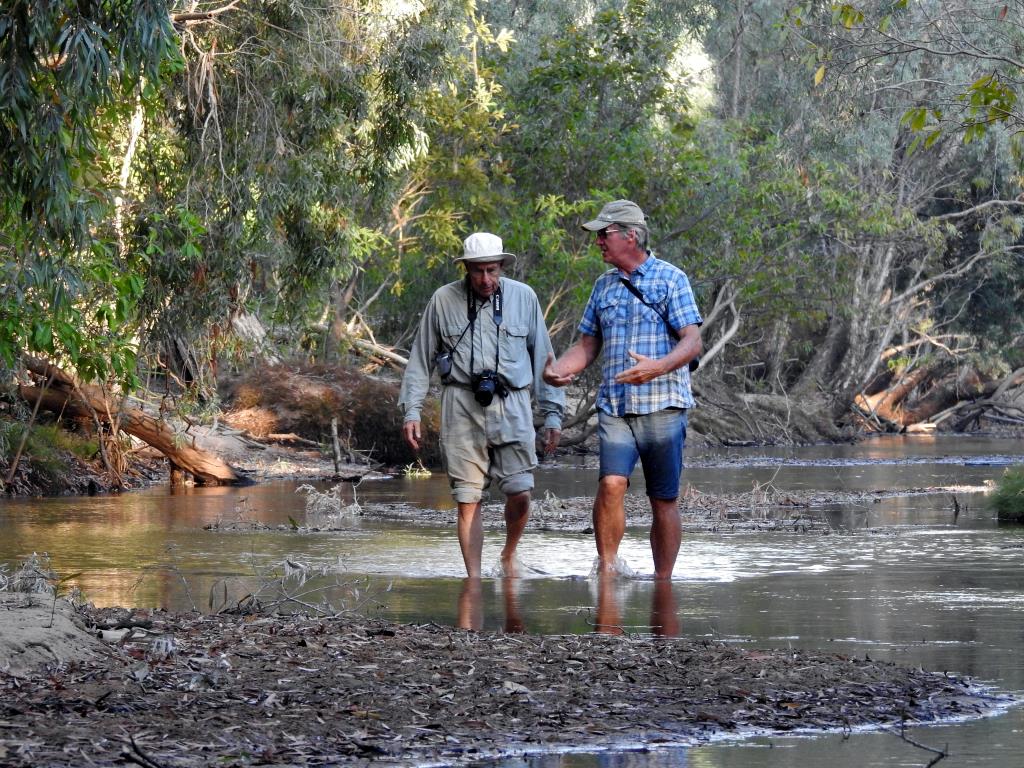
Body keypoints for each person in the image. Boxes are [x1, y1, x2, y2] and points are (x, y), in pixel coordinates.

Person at [543, 200, 702, 580]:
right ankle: (608, 571)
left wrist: (658, 367)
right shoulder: (603, 287)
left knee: (663, 498)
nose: (598, 241)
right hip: (615, 406)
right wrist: (556, 371)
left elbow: (692, 341)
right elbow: (587, 345)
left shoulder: (671, 279)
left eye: (604, 233)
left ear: (631, 236)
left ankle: (663, 584)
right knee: (612, 484)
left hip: (663, 405)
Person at [399, 232, 564, 578]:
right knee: (467, 499)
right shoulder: (443, 300)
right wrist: (412, 410)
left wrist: (553, 413)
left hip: (513, 403)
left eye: (492, 270)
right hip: (460, 405)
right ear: (466, 269)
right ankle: (472, 580)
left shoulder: (524, 298)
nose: (486, 279)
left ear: (502, 266)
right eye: (478, 271)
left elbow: (544, 359)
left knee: (520, 492)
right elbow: (419, 359)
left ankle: (508, 554)